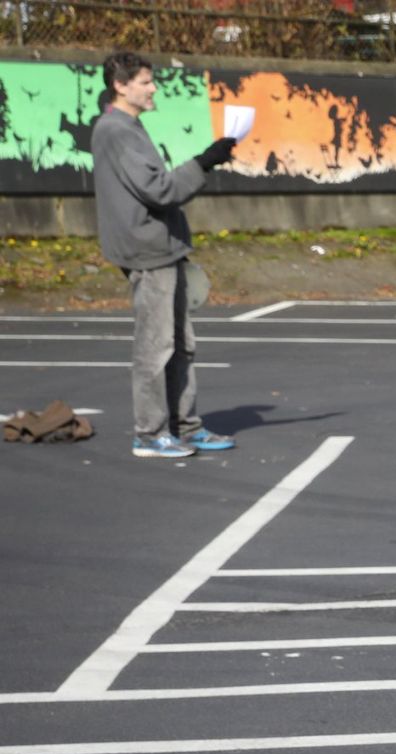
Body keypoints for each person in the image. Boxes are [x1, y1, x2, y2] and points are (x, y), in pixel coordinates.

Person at [89, 51, 240, 459]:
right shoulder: (116, 130)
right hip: (147, 252)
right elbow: (159, 190)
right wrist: (205, 161)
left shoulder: (127, 127)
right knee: (156, 347)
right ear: (121, 86)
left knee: (181, 343)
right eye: (145, 81)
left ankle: (183, 426)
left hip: (161, 248)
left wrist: (207, 161)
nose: (154, 87)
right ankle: (149, 433)